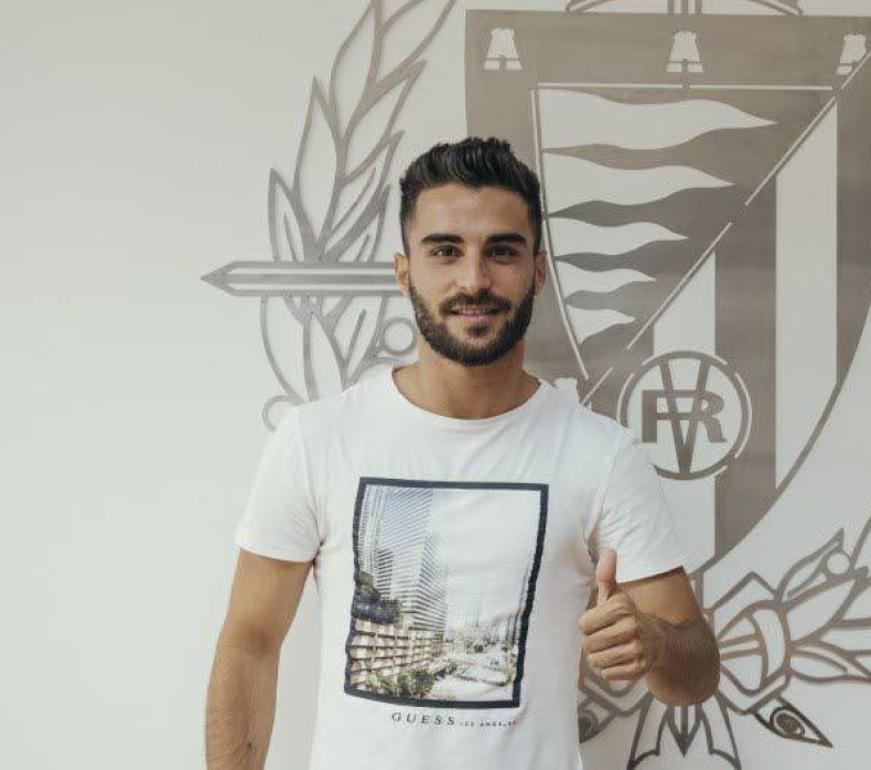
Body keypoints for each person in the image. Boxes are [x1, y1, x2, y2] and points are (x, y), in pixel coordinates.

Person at [205, 136, 720, 770]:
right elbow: (250, 644)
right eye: (445, 251)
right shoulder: (318, 439)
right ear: (404, 272)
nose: (473, 279)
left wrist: (654, 643)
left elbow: (695, 675)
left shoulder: (603, 455)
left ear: (538, 271)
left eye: (501, 251)